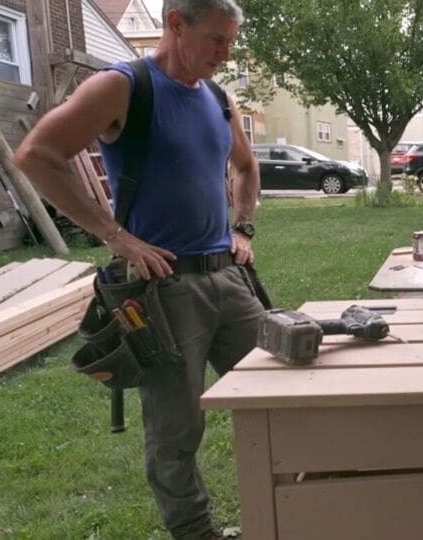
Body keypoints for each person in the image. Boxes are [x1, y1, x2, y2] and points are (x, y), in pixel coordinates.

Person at [13, 1, 262, 538]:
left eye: (231, 41)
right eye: (217, 40)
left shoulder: (219, 98)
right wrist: (115, 235)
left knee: (282, 396)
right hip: (162, 290)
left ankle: (285, 510)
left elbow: (246, 167)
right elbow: (35, 154)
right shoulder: (123, 86)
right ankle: (196, 534)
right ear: (176, 24)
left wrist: (243, 227)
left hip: (228, 276)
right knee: (176, 430)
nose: (226, 53)